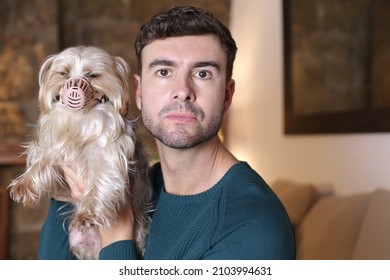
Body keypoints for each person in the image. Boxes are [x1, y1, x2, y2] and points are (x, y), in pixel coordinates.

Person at [38, 5, 296, 260]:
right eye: (164, 72)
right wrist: (65, 195)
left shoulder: (255, 226)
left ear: (227, 95)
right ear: (138, 92)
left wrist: (116, 232)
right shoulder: (142, 185)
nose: (182, 90)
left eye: (203, 73)